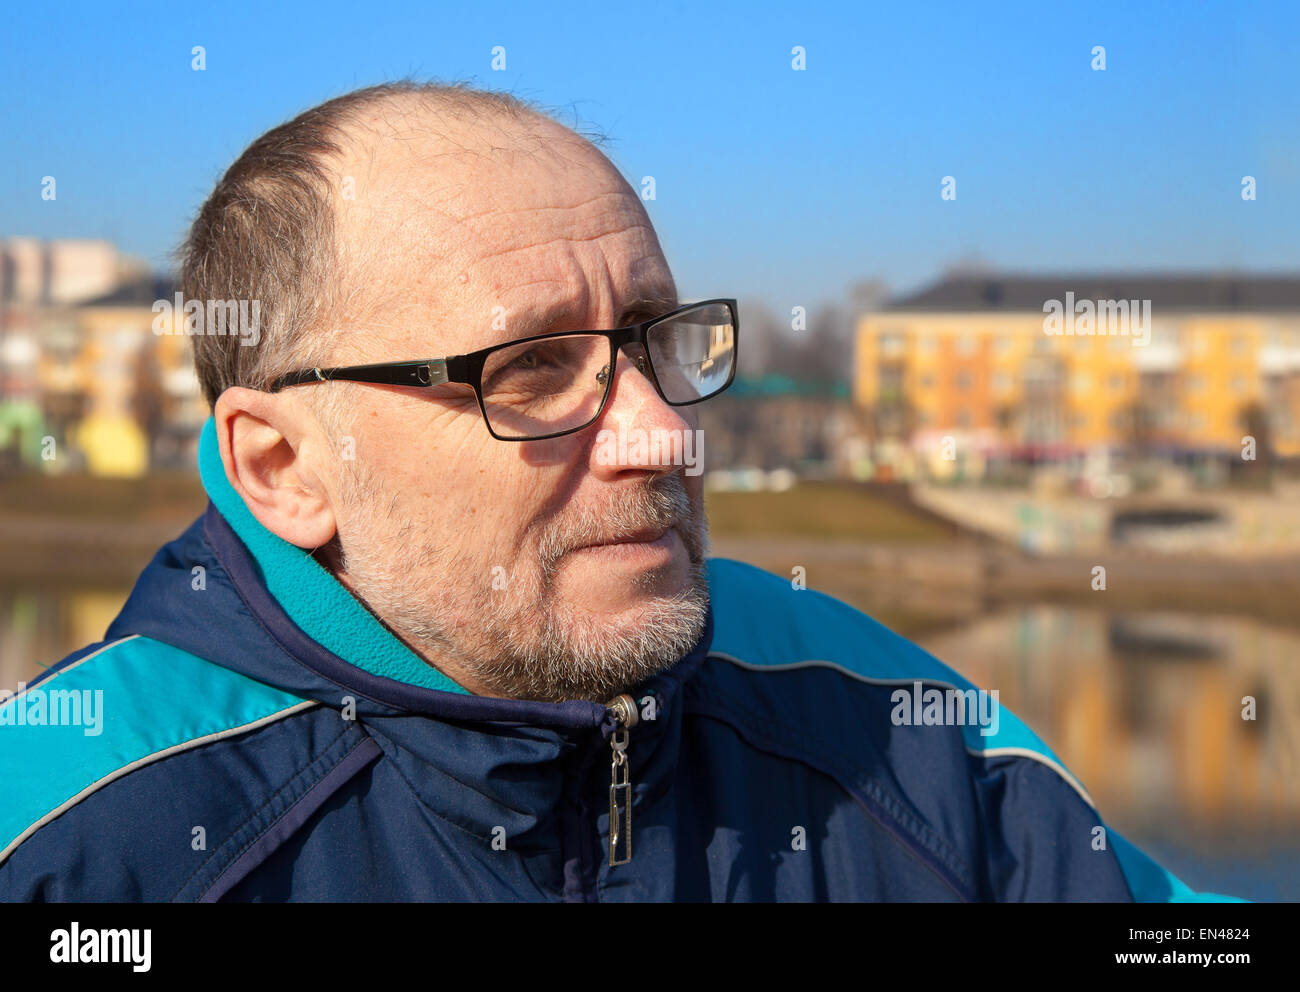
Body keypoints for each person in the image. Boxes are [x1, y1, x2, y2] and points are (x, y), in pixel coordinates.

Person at [0, 82, 1228, 901]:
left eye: (654, 341)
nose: (663, 435)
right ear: (285, 467)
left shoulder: (871, 708)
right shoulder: (73, 833)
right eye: (530, 367)